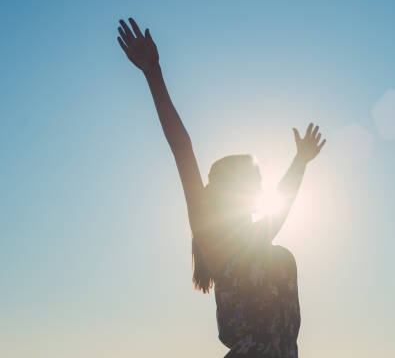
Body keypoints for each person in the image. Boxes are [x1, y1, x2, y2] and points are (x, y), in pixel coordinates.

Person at [117, 18, 326, 357]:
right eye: (255, 180)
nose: (262, 188)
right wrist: (152, 73)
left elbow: (282, 201)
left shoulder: (258, 239)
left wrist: (301, 161)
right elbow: (182, 147)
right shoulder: (216, 240)